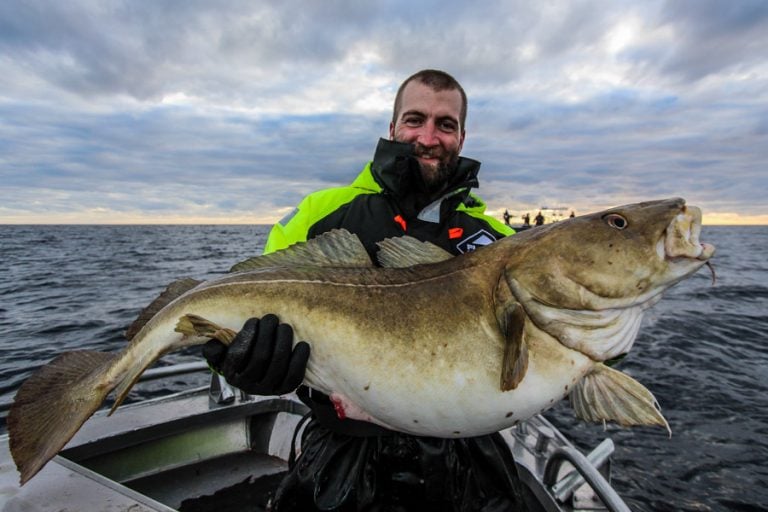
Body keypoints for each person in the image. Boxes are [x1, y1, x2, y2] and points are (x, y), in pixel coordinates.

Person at [203, 70, 531, 511]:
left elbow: (559, 330)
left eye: (445, 125)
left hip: (470, 462)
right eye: (415, 120)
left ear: (463, 137)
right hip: (342, 458)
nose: (428, 137)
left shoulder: (498, 242)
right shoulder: (321, 214)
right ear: (393, 127)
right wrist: (245, 358)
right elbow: (250, 300)